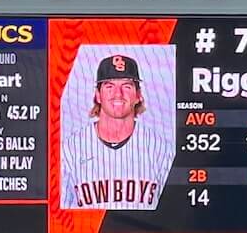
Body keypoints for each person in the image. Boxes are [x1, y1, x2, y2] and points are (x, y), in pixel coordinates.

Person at [60, 54, 175, 211]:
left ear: (138, 95)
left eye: (127, 86)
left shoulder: (161, 150)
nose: (118, 94)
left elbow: (174, 217)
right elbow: (58, 219)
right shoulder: (69, 150)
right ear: (98, 95)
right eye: (109, 86)